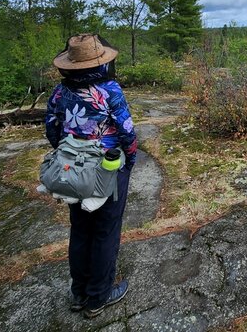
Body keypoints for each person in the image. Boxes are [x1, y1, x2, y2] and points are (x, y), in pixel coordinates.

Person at [45, 33, 138, 319]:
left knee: (81, 229)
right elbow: (127, 132)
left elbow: (52, 130)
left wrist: (72, 155)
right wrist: (130, 161)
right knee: (105, 231)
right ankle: (98, 297)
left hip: (72, 170)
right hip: (107, 170)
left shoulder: (60, 93)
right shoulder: (110, 90)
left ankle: (79, 294)